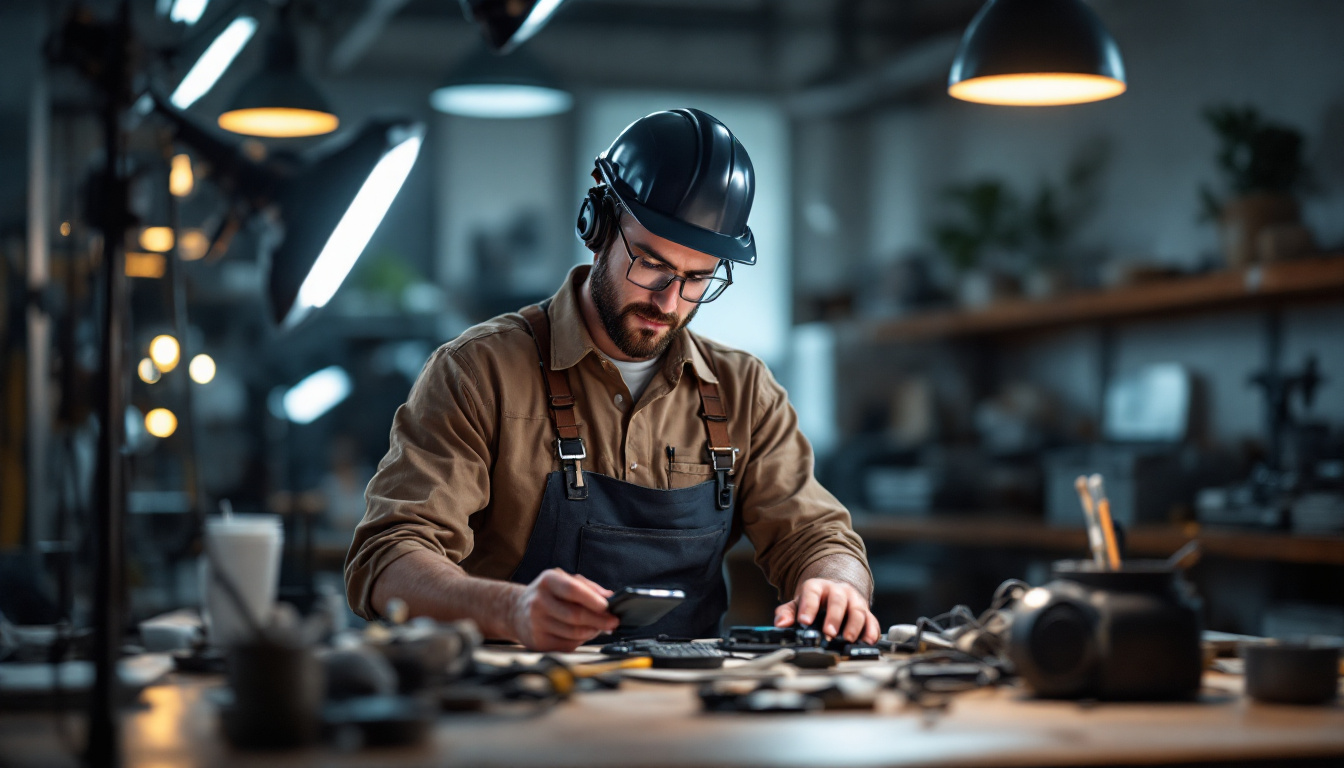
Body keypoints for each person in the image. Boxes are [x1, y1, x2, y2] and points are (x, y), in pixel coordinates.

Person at [345, 108, 876, 651]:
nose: (668, 301)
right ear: (596, 228)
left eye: (696, 280)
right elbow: (387, 559)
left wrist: (835, 584)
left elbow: (817, 535)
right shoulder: (479, 372)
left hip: (691, 712)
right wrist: (512, 609)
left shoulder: (743, 391)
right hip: (521, 709)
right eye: (650, 264)